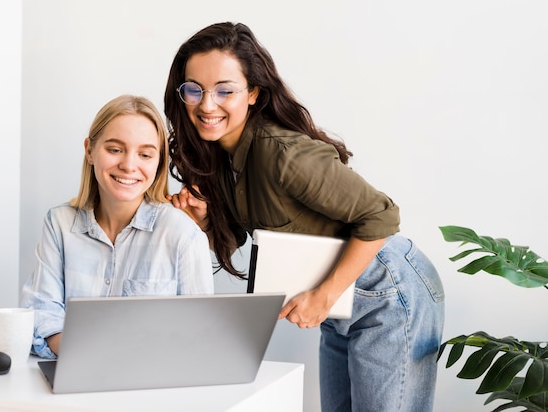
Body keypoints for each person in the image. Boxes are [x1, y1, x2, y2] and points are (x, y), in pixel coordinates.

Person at [164, 22, 445, 412]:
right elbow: (244, 238)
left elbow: (380, 215)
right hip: (340, 305)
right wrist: (206, 222)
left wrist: (323, 296)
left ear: (253, 93)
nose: (206, 104)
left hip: (386, 292)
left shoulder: (281, 152)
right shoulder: (222, 159)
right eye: (194, 89)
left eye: (224, 90)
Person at [20, 94, 214, 359]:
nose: (128, 165)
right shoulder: (59, 224)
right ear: (90, 150)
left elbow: (200, 335)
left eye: (145, 154)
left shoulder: (183, 234)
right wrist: (87, 357)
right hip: (74, 371)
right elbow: (42, 311)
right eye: (115, 150)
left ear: (158, 164)